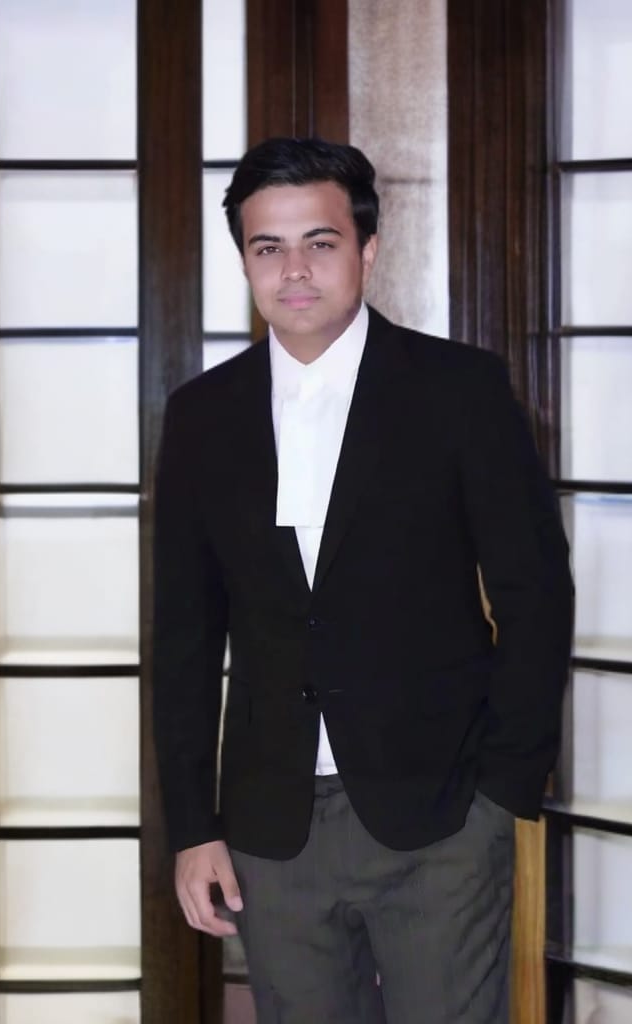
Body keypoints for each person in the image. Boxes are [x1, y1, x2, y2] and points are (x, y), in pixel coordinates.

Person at [153, 136, 574, 1024]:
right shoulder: (201, 416)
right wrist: (193, 828)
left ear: (368, 249)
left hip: (443, 816)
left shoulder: (459, 391)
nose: (294, 271)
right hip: (271, 826)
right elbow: (184, 640)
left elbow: (536, 593)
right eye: (268, 248)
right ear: (245, 262)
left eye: (321, 242)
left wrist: (504, 790)